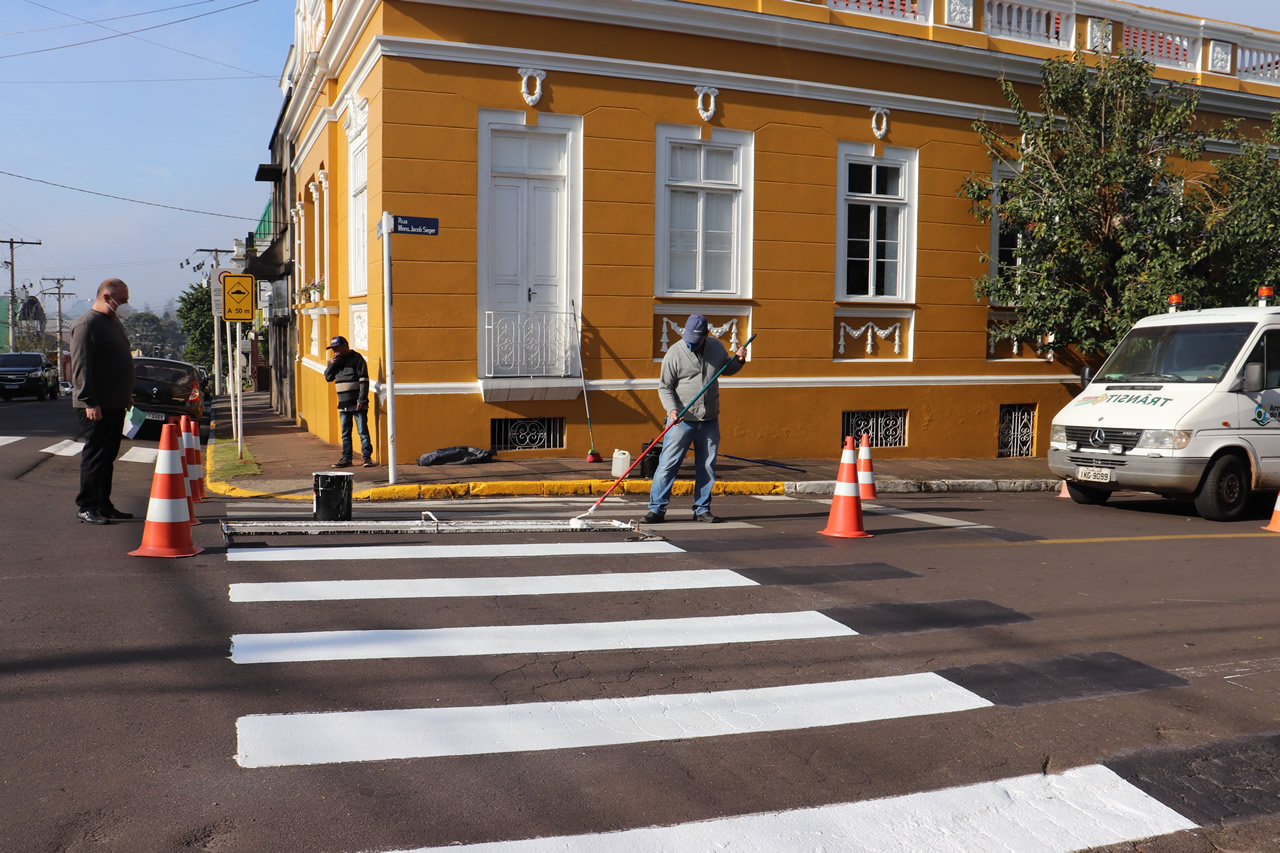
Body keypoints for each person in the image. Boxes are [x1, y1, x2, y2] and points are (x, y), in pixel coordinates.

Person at [644, 314, 747, 524]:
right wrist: (672, 411)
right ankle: (657, 509)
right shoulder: (674, 353)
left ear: (706, 335)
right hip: (681, 420)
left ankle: (701, 510)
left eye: (696, 339)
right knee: (667, 466)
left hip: (709, 420)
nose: (691, 343)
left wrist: (738, 360)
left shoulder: (716, 347)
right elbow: (664, 387)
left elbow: (726, 370)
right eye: (688, 338)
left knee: (707, 466)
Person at [70, 277, 135, 524]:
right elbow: (81, 368)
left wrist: (125, 394)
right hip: (95, 405)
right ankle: (87, 506)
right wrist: (89, 402)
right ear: (106, 297)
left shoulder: (112, 321)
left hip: (115, 402)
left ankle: (104, 504)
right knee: (95, 456)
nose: (126, 304)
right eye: (122, 300)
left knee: (108, 456)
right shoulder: (87, 324)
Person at [323, 335, 374, 468]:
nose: (335, 351)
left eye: (337, 348)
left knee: (362, 431)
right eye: (333, 349)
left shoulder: (357, 358)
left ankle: (367, 458)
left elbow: (364, 380)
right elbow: (328, 377)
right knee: (345, 433)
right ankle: (346, 459)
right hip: (343, 403)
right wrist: (331, 365)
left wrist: (362, 399)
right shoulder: (336, 361)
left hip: (357, 403)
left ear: (345, 346)